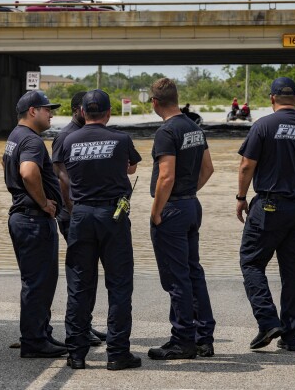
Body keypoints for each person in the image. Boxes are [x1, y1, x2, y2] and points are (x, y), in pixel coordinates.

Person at [236, 77, 295, 352]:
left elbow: (246, 166)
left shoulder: (263, 125)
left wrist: (241, 197)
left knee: (251, 262)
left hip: (270, 206)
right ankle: (291, 336)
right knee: (292, 272)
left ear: (272, 98)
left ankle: (267, 320)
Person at [61, 89, 143, 371]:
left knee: (79, 285)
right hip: (113, 215)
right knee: (119, 285)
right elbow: (132, 168)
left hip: (81, 214)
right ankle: (118, 353)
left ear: (82, 112)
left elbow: (64, 173)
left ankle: (76, 354)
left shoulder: (69, 139)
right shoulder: (121, 139)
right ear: (109, 113)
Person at [147, 78, 216, 360]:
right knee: (192, 272)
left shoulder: (166, 132)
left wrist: (157, 210)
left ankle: (182, 340)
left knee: (176, 278)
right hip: (190, 206)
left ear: (154, 102)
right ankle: (203, 337)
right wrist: (189, 193)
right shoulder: (194, 128)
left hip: (172, 210)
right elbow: (208, 169)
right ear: (176, 98)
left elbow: (166, 176)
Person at [3, 90, 66, 358]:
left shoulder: (15, 137)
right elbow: (28, 172)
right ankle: (34, 342)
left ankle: (40, 334)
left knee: (36, 281)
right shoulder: (31, 140)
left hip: (24, 217)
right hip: (32, 218)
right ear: (32, 112)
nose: (51, 113)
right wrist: (44, 203)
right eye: (47, 109)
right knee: (38, 282)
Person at [51, 91, 107, 347]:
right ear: (78, 110)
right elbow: (61, 177)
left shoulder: (83, 134)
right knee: (83, 273)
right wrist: (73, 209)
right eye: (85, 108)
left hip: (81, 211)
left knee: (88, 271)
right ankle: (79, 329)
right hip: (71, 212)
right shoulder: (66, 137)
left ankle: (85, 325)